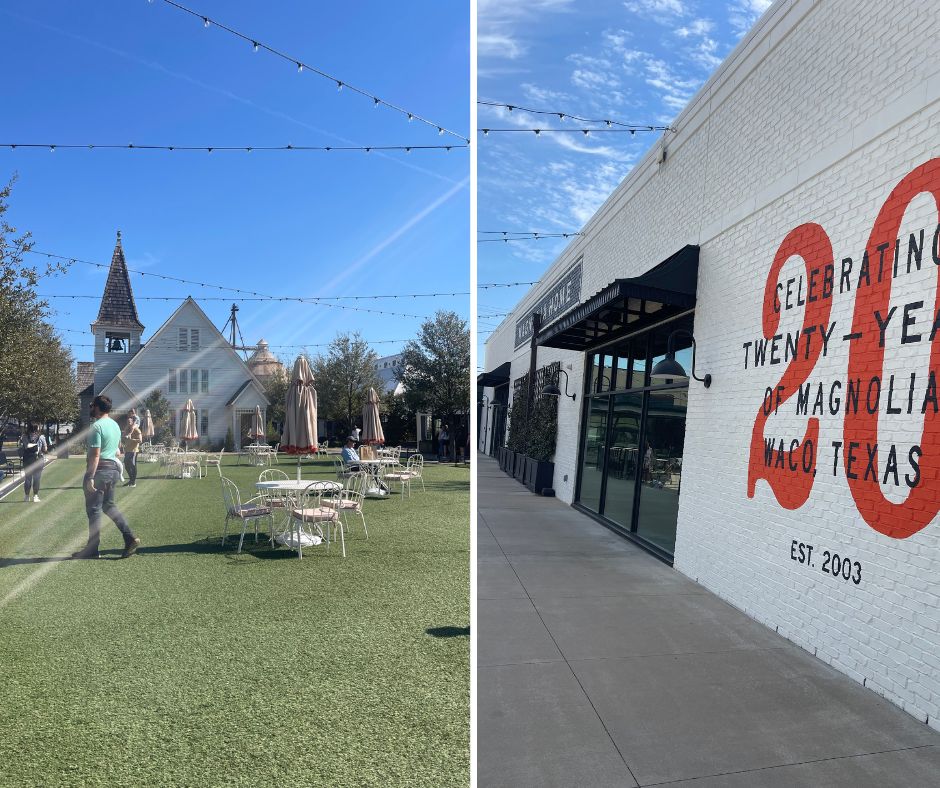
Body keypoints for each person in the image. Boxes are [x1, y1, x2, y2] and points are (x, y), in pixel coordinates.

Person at [72, 395, 141, 560]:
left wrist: (90, 477)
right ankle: (129, 537)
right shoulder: (115, 426)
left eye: (91, 405)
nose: (90, 408)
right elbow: (118, 451)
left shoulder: (96, 427)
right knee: (109, 506)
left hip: (100, 471)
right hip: (113, 471)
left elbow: (95, 456)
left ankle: (93, 550)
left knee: (94, 510)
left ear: (97, 407)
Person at [18, 424, 47, 502]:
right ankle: (35, 496)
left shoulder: (24, 436)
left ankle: (27, 497)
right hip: (38, 459)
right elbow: (45, 448)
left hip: (27, 459)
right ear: (37, 428)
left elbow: (24, 446)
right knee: (37, 478)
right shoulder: (41, 437)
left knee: (28, 478)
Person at [122, 414, 142, 487]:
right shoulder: (127, 429)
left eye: (129, 422)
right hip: (127, 450)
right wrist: (124, 438)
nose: (128, 423)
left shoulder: (137, 430)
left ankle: (133, 483)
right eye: (127, 422)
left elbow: (140, 440)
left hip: (134, 451)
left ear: (133, 422)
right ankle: (131, 480)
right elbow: (124, 438)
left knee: (133, 465)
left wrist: (131, 439)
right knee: (126, 465)